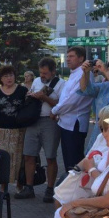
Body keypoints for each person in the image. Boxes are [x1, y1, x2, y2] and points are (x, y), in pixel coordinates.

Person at [18, 57, 64, 201]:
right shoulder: (37, 81)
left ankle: (50, 189)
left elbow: (61, 105)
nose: (42, 76)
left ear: (53, 72)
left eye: (45, 73)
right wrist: (31, 96)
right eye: (41, 72)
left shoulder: (61, 84)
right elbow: (29, 96)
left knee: (50, 156)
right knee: (29, 155)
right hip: (33, 120)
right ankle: (29, 187)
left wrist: (44, 97)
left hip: (50, 122)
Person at [51, 46, 93, 173]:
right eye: (67, 56)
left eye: (71, 56)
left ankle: (75, 191)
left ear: (81, 58)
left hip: (75, 123)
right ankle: (70, 190)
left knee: (74, 163)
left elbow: (73, 100)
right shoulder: (75, 73)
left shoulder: (84, 73)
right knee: (69, 162)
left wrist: (55, 110)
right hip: (67, 122)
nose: (68, 59)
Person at [0, 65, 28, 188]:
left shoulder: (23, 91)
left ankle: (20, 184)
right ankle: (3, 185)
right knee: (3, 158)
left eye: (11, 75)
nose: (9, 78)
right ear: (1, 78)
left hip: (19, 131)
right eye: (5, 76)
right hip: (0, 131)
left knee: (19, 159)